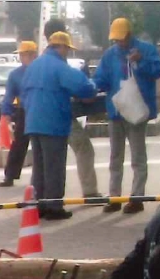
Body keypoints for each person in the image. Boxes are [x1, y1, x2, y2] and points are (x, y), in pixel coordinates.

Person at [21, 32, 98, 221]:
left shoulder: (33, 66)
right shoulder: (59, 66)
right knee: (54, 166)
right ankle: (54, 207)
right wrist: (93, 88)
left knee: (39, 168)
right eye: (67, 49)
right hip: (53, 122)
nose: (67, 54)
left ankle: (39, 205)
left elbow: (23, 93)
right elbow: (84, 87)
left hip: (33, 122)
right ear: (61, 47)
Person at [94, 18, 160, 214]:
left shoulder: (146, 50)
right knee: (115, 157)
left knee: (138, 157)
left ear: (129, 34)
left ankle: (137, 198)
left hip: (136, 112)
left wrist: (141, 61)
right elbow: (101, 78)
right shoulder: (110, 54)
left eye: (121, 38)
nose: (119, 42)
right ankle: (115, 197)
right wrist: (92, 87)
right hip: (116, 111)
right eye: (116, 39)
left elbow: (158, 71)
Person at [45, 18, 102, 200]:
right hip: (60, 116)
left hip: (36, 119)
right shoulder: (59, 64)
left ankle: (41, 198)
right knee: (84, 148)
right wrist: (90, 91)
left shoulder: (38, 62)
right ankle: (90, 192)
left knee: (44, 160)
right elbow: (84, 89)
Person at [0, 41, 38, 188]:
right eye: (21, 55)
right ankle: (10, 175)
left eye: (25, 54)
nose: (22, 58)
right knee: (19, 144)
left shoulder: (41, 71)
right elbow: (9, 95)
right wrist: (6, 113)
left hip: (40, 109)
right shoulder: (15, 75)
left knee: (40, 145)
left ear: (34, 55)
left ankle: (40, 177)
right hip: (24, 111)